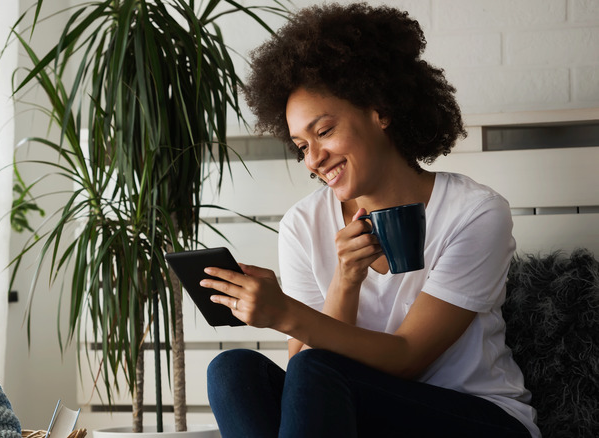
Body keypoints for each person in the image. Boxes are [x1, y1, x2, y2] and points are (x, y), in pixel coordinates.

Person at [200, 3, 540, 438]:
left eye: (323, 132)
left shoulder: (474, 212)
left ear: (379, 110)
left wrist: (284, 311)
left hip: (476, 417)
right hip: (364, 415)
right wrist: (345, 281)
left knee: (318, 369)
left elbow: (408, 357)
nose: (314, 160)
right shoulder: (302, 225)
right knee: (233, 369)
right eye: (301, 145)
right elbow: (305, 368)